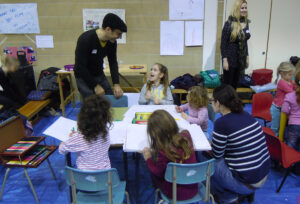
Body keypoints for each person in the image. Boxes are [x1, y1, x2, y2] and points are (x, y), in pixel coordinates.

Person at [210, 84, 270, 204]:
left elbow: (216, 155)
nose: (211, 103)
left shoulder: (222, 123)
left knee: (207, 163)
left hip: (248, 183)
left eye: (212, 100)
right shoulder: (246, 115)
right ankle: (239, 192)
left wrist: (213, 142)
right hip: (263, 175)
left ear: (218, 102)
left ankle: (228, 198)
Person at [141, 110, 197, 200]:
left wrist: (148, 158)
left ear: (155, 134)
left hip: (175, 193)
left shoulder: (163, 152)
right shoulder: (186, 135)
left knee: (153, 171)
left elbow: (158, 172)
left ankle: (159, 195)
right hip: (193, 188)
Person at [74, 13, 127, 99]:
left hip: (98, 74)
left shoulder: (111, 42)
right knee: (93, 104)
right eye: (118, 34)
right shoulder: (85, 39)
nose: (120, 37)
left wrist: (116, 84)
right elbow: (80, 67)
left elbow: (113, 62)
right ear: (108, 29)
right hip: (83, 76)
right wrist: (95, 86)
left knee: (110, 98)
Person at [59, 95, 112, 171]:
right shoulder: (105, 132)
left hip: (84, 179)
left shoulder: (78, 137)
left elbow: (61, 150)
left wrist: (69, 138)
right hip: (105, 177)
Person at [221, 0, 250, 89]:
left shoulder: (246, 23)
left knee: (235, 85)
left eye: (245, 8)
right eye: (242, 8)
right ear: (237, 9)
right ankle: (225, 102)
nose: (244, 10)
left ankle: (232, 102)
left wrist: (247, 57)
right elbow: (223, 43)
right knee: (228, 85)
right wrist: (225, 60)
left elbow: (245, 42)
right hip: (230, 58)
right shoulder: (229, 23)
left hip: (240, 59)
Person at [270, 62, 296, 136]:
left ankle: (280, 140)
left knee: (282, 127)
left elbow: (295, 86)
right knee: (275, 128)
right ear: (282, 73)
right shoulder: (282, 82)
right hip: (277, 108)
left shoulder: (290, 81)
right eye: (290, 75)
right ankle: (273, 141)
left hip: (284, 108)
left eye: (292, 75)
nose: (291, 76)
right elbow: (291, 92)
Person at [282, 71, 300, 151]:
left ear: (295, 84)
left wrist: (290, 115)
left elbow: (284, 110)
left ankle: (291, 162)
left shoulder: (289, 96)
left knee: (291, 146)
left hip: (294, 125)